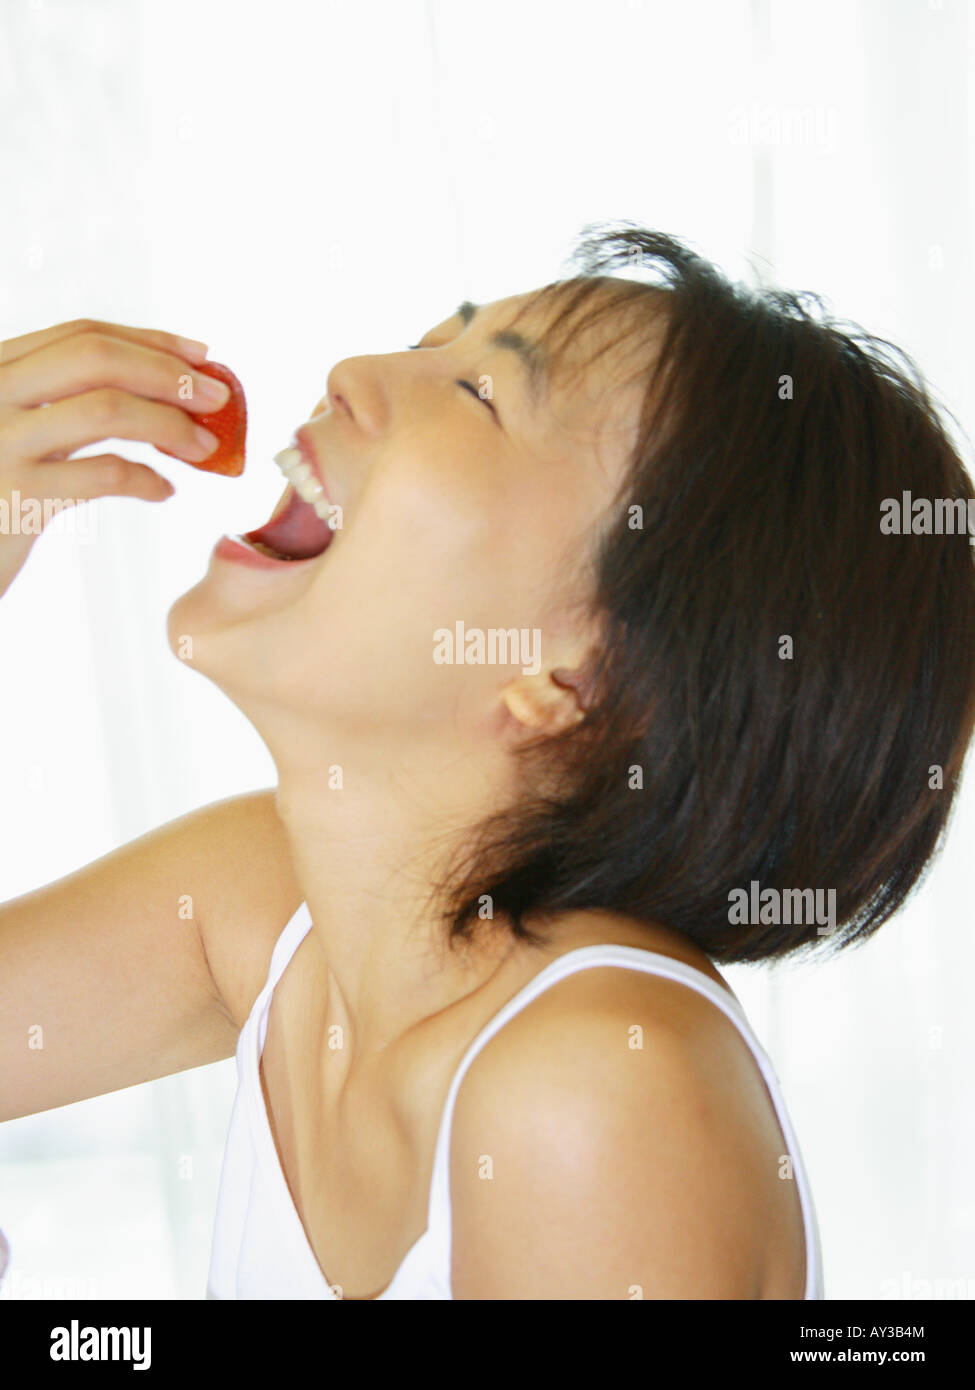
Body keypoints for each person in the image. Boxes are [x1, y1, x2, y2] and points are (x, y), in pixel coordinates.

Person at [2, 225, 973, 1300]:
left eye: (478, 394)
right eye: (431, 345)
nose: (354, 375)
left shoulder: (598, 1090)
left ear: (572, 677)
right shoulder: (275, 907)